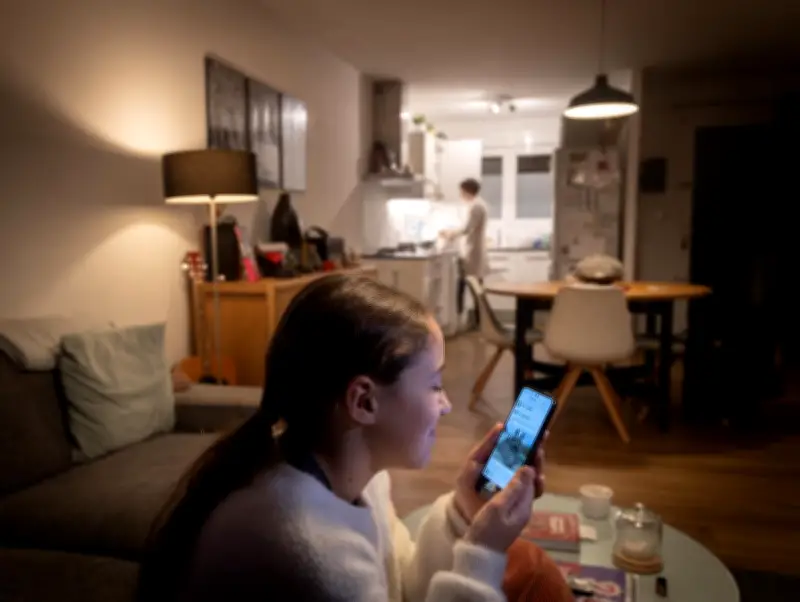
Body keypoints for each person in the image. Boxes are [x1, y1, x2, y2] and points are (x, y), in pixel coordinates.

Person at [137, 274, 565, 602]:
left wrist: (464, 512)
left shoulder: (358, 477)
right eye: (434, 384)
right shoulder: (309, 551)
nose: (447, 404)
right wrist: (483, 552)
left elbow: (400, 583)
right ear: (363, 401)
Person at [440, 178, 489, 328]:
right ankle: (473, 321)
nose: (460, 194)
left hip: (472, 252)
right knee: (474, 288)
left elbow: (467, 228)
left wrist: (450, 233)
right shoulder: (479, 205)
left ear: (467, 191)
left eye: (461, 191)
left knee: (472, 288)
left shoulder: (476, 207)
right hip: (473, 251)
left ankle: (471, 321)